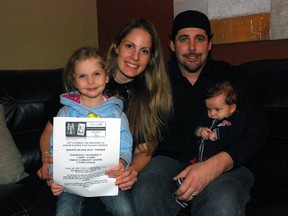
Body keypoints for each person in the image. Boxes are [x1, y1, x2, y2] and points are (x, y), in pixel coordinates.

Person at [132, 10, 268, 216]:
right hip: (168, 163)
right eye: (184, 39)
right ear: (172, 45)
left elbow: (259, 128)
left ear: (210, 45)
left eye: (200, 39)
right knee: (146, 192)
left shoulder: (233, 78)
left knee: (222, 204)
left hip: (226, 164)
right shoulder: (157, 80)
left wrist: (217, 164)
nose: (192, 48)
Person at [36, 18, 173, 214]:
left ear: (150, 57)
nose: (135, 56)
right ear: (117, 47)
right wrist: (48, 163)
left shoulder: (147, 95)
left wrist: (130, 170)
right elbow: (50, 134)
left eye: (144, 51)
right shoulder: (83, 77)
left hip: (110, 177)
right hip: (71, 177)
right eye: (129, 46)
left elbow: (145, 148)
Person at [48, 46, 135, 216]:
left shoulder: (116, 113)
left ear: (107, 76)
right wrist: (55, 177)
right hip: (71, 185)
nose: (90, 81)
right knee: (64, 213)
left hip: (108, 180)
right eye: (82, 76)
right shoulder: (65, 113)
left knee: (126, 210)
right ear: (74, 81)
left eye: (96, 74)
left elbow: (125, 145)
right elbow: (55, 152)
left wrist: (122, 163)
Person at [195, 81, 246, 162]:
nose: (212, 113)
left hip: (219, 162)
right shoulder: (208, 118)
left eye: (217, 109)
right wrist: (200, 131)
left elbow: (235, 131)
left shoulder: (236, 119)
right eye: (209, 109)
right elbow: (195, 126)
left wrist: (217, 134)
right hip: (199, 159)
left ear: (232, 108)